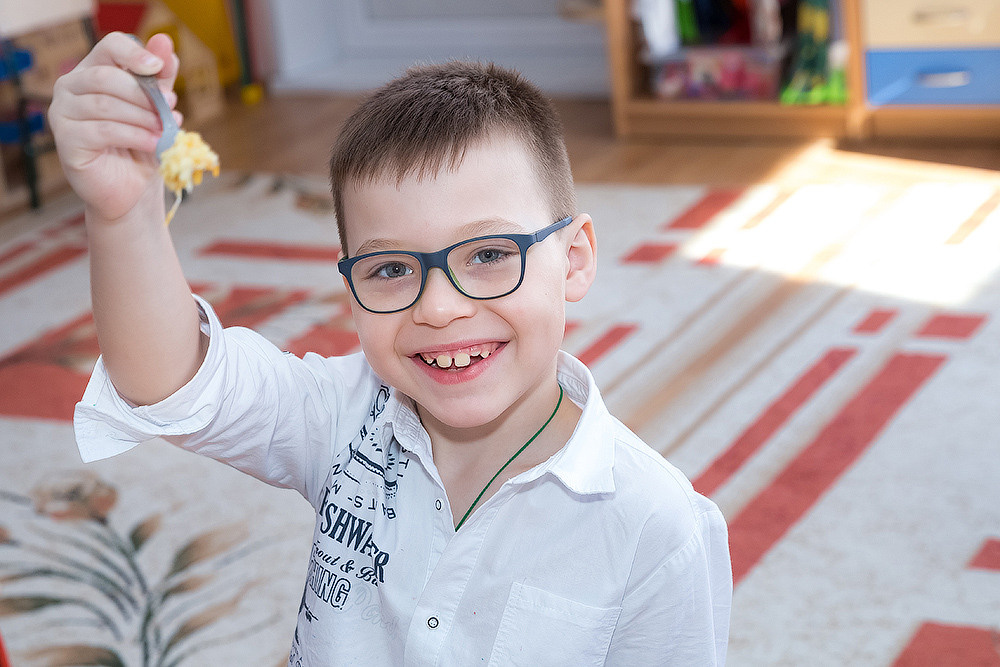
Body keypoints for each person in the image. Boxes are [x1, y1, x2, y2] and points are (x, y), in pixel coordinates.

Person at [52, 32, 732, 665]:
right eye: (391, 269)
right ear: (348, 289)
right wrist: (125, 213)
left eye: (491, 253)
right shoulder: (342, 413)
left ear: (575, 258)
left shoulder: (657, 529)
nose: (439, 306)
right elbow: (166, 381)